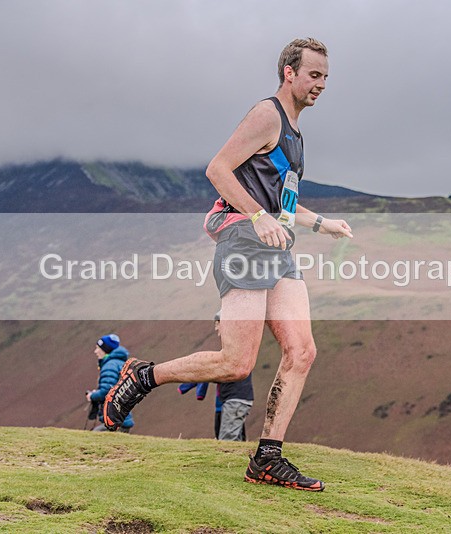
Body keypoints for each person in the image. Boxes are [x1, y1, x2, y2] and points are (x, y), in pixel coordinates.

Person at [104, 38, 352, 491]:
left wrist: (320, 223)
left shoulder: (295, 133)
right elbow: (217, 169)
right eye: (314, 75)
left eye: (326, 78)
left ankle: (267, 458)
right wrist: (256, 219)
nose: (321, 84)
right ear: (289, 73)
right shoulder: (266, 115)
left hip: (277, 249)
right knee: (237, 363)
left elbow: (281, 203)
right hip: (244, 240)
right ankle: (144, 375)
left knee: (302, 351)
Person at [179, 311, 254, 441]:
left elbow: (223, 370)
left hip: (235, 399)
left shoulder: (235, 346)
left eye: (217, 323)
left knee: (227, 440)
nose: (215, 328)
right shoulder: (234, 345)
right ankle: (238, 459)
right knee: (235, 439)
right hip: (235, 399)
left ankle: (229, 460)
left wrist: (199, 377)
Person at [87, 334, 134, 433]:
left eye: (97, 348)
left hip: (115, 419)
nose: (95, 351)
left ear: (105, 349)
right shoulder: (120, 363)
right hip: (122, 416)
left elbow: (106, 391)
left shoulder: (110, 365)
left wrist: (92, 396)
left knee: (93, 437)